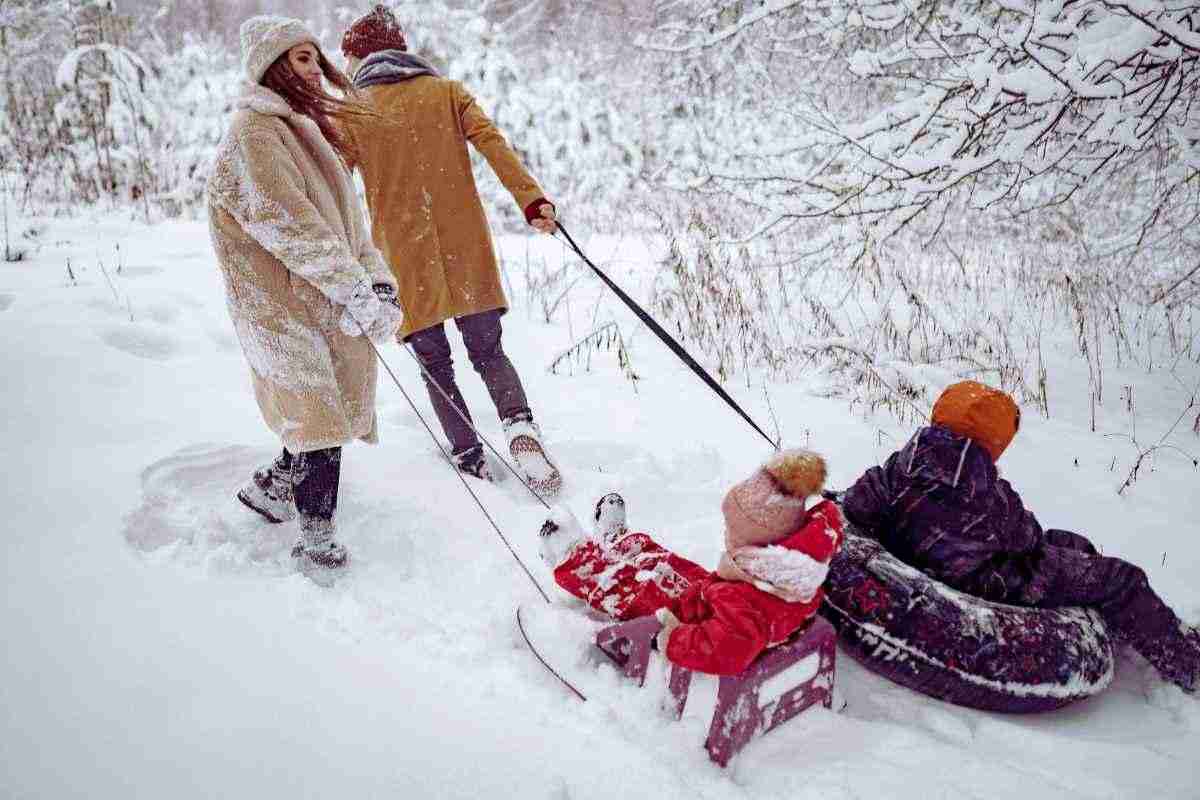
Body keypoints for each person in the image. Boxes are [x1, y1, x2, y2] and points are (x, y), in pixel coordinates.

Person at [842, 380, 1200, 693]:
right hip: (987, 582)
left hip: (920, 561)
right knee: (1121, 579)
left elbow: (856, 504)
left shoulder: (897, 466)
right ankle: (1188, 664)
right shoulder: (986, 491)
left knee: (1067, 543)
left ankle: (1115, 626)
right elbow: (1027, 538)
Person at [207, 15, 404, 574]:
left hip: (318, 295)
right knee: (318, 415)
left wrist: (379, 283)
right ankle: (318, 540)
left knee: (327, 405)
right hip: (276, 305)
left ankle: (271, 490)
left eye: (316, 57)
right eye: (300, 59)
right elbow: (292, 228)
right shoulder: (254, 133)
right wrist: (352, 288)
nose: (315, 69)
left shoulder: (304, 130)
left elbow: (349, 229)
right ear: (271, 66)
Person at [338, 5, 561, 495]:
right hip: (465, 252)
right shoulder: (446, 92)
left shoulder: (354, 111)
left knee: (435, 365)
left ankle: (468, 454)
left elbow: (333, 183)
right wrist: (533, 201)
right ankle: (519, 424)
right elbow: (494, 144)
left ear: (359, 56)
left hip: (405, 262)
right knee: (489, 350)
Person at [539, 451, 844, 676]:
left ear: (760, 543)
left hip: (702, 626)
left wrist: (672, 639)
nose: (726, 534)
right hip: (717, 604)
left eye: (732, 532)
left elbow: (727, 649)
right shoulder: (788, 572)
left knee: (639, 592)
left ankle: (578, 560)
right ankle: (622, 544)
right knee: (677, 569)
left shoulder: (746, 599)